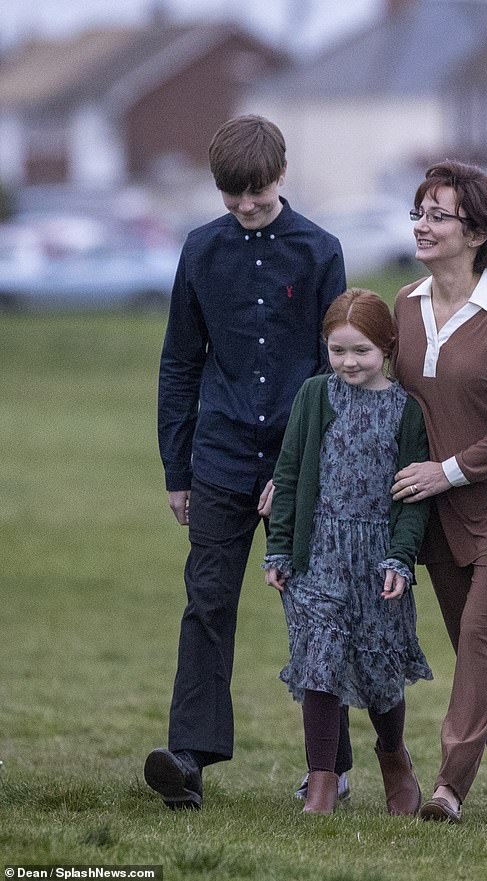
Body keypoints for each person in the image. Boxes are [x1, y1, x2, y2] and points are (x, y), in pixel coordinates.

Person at [147, 114, 351, 810]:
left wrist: (303, 470)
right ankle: (188, 758)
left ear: (281, 176)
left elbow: (337, 370)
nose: (244, 207)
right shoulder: (200, 251)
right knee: (207, 602)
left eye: (256, 194)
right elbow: (180, 363)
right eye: (232, 196)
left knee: (314, 609)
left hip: (298, 462)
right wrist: (178, 470)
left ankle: (332, 767)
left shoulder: (321, 251)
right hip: (220, 458)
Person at [390, 160, 487, 823]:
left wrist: (448, 468)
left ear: (477, 230)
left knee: (481, 641)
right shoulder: (403, 305)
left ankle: (448, 784)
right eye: (419, 212)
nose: (422, 225)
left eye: (438, 214)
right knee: (485, 652)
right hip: (435, 519)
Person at [263, 289, 433, 815]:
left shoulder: (407, 410)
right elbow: (289, 474)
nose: (348, 362)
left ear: (386, 346)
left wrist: (400, 557)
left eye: (360, 351)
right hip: (317, 555)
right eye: (337, 351)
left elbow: (411, 497)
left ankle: (393, 759)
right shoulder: (315, 395)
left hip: (377, 557)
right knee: (320, 664)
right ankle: (321, 781)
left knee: (380, 667)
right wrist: (278, 550)